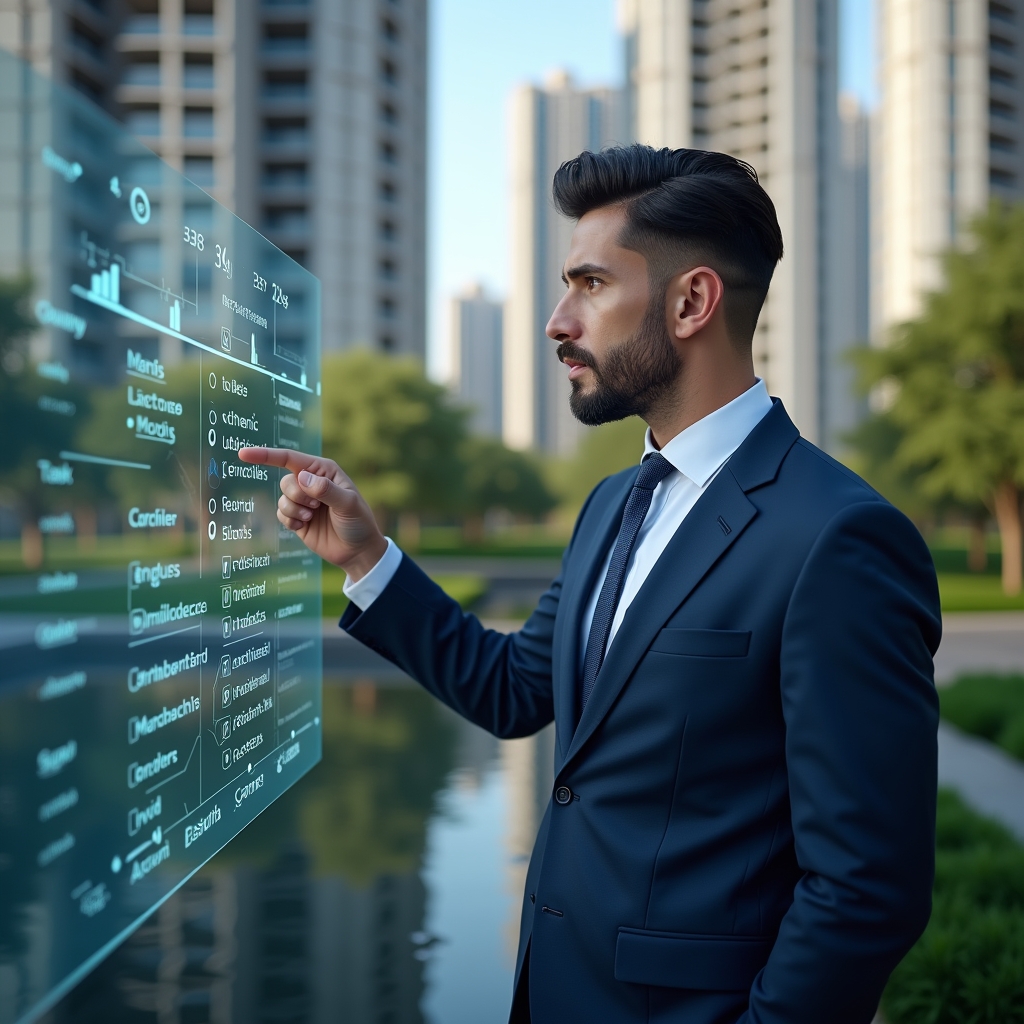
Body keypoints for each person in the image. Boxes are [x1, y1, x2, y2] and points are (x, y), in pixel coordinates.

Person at [239, 145, 941, 1024]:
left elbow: (869, 885)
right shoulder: (612, 506)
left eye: (591, 284)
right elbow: (515, 691)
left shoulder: (838, 537)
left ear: (691, 302)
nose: (557, 320)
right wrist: (365, 557)